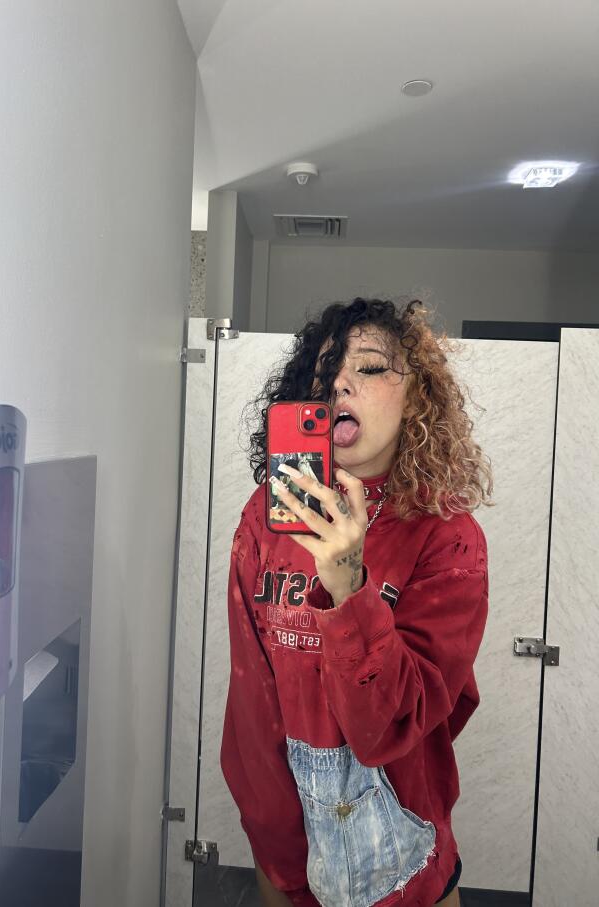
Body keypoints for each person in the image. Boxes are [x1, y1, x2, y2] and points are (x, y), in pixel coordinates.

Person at [220, 298, 492, 907]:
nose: (340, 382)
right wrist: (273, 836)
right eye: (326, 372)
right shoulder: (266, 520)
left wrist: (347, 584)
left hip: (406, 857)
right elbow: (252, 698)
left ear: (417, 397)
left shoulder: (448, 538)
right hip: (285, 846)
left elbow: (393, 725)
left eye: (369, 368)